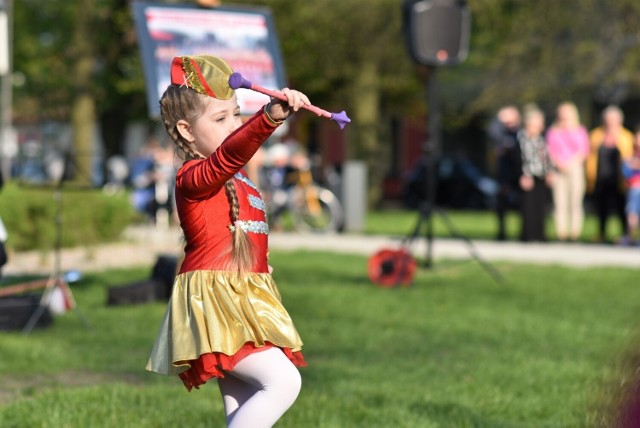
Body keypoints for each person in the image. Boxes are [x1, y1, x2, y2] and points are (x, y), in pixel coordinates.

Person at [145, 55, 308, 427]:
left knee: (245, 403)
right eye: (220, 119)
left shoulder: (241, 180)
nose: (233, 125)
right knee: (283, 381)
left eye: (236, 115)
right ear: (187, 131)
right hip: (215, 298)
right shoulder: (192, 176)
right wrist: (269, 117)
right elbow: (226, 158)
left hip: (246, 296)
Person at [587, 105, 634, 243]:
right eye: (608, 119)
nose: (610, 122)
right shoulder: (596, 135)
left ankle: (626, 235)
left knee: (622, 208)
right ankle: (601, 234)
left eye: (614, 119)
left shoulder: (627, 137)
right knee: (601, 208)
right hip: (601, 178)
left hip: (620, 179)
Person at [546, 102, 590, 242]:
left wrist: (570, 163)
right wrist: (557, 163)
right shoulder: (553, 131)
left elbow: (583, 150)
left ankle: (574, 233)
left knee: (575, 202)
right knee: (559, 202)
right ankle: (562, 233)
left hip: (575, 168)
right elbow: (549, 150)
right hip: (558, 168)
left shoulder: (579, 130)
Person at [517, 108, 553, 242]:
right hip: (527, 177)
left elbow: (546, 157)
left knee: (541, 207)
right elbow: (522, 157)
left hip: (541, 176)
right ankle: (528, 235)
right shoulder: (521, 138)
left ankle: (540, 234)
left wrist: (549, 172)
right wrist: (525, 175)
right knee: (528, 207)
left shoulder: (541, 139)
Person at [488, 105, 522, 240]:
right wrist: (499, 119)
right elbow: (491, 131)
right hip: (503, 173)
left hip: (517, 171)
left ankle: (523, 232)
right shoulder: (499, 131)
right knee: (501, 204)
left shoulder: (520, 131)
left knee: (521, 204)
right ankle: (502, 233)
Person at [620, 126, 640, 245]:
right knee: (631, 214)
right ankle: (630, 237)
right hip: (633, 189)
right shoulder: (629, 155)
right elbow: (626, 171)